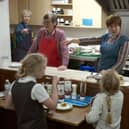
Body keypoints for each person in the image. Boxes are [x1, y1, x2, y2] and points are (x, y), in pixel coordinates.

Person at [5, 53, 59, 129]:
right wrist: (54, 84)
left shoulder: (14, 83)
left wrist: (24, 110)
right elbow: (53, 106)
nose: (44, 71)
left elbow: (7, 105)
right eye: (44, 68)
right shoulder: (36, 87)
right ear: (37, 69)